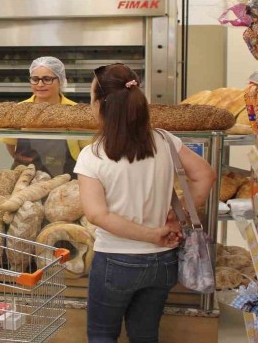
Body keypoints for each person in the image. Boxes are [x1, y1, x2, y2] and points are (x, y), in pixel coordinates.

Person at [75, 63, 215, 343]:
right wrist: (178, 216)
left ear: (101, 105)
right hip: (162, 261)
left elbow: (97, 215)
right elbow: (205, 175)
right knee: (145, 334)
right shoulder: (165, 141)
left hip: (115, 259)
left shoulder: (93, 155)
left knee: (102, 334)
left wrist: (151, 234)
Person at [1, 57, 86, 176]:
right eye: (35, 79)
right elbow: (10, 144)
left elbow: (86, 151)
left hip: (65, 177)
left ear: (61, 81)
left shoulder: (75, 111)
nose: (40, 84)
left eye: (47, 79)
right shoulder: (19, 110)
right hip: (24, 176)